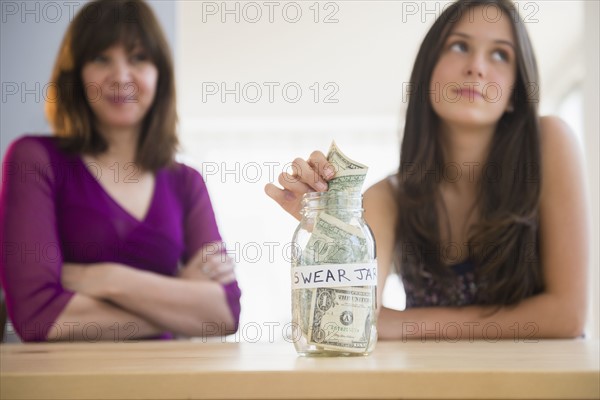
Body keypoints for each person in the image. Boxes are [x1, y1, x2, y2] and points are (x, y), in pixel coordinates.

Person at [266, 0, 589, 340]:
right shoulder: (387, 198)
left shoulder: (549, 141)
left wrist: (404, 324)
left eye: (500, 55)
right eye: (460, 46)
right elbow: (350, 316)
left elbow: (567, 315)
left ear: (514, 92)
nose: (477, 67)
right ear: (428, 73)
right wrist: (329, 228)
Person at [0, 0, 240, 342]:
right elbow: (38, 317)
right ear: (77, 74)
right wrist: (180, 298)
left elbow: (226, 313)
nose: (121, 76)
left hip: (170, 386)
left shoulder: (186, 182)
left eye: (138, 58)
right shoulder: (34, 159)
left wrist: (106, 279)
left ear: (160, 74)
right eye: (101, 58)